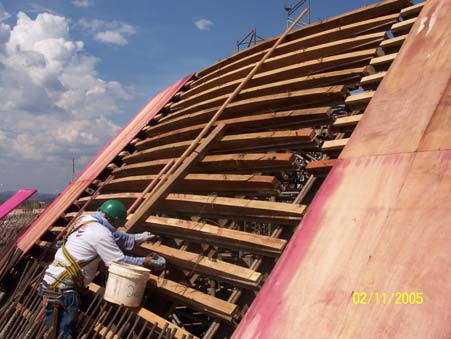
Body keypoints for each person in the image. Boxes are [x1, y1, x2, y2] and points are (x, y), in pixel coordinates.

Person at [40, 199, 165, 339]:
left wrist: (136, 238)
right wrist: (145, 261)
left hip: (50, 282)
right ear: (111, 219)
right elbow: (118, 261)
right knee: (64, 333)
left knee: (54, 329)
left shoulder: (85, 219)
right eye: (118, 225)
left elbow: (115, 236)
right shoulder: (101, 233)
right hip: (63, 291)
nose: (118, 228)